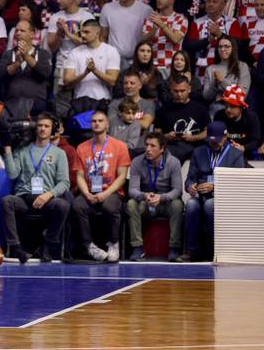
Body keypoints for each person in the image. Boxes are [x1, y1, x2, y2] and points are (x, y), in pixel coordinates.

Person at [1, 113, 71, 263]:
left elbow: (64, 183)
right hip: (25, 198)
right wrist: (7, 149)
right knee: (7, 201)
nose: (42, 129)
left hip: (46, 200)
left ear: (52, 130)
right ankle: (16, 247)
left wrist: (48, 195)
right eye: (40, 126)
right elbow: (12, 174)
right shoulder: (23, 151)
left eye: (46, 126)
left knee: (63, 205)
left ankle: (47, 245)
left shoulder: (59, 153)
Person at [182, 121, 245, 262]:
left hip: (225, 198)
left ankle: (212, 251)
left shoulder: (235, 154)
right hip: (201, 194)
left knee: (210, 205)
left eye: (216, 141)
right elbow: (190, 178)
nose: (213, 144)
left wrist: (216, 187)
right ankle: (192, 250)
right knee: (191, 205)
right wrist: (191, 186)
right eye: (210, 141)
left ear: (225, 137)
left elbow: (238, 183)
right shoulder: (199, 152)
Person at [73, 109, 130, 262]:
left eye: (100, 121)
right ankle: (89, 246)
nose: (97, 123)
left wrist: (105, 194)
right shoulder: (82, 147)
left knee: (109, 207)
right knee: (78, 206)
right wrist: (86, 194)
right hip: (89, 191)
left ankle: (113, 243)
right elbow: (79, 175)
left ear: (107, 124)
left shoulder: (119, 146)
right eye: (94, 121)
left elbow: (122, 177)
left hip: (112, 191)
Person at [126, 132, 183, 261]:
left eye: (153, 146)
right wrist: (144, 195)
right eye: (146, 145)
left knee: (178, 205)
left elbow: (177, 190)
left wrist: (161, 197)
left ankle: (174, 248)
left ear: (162, 149)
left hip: (164, 203)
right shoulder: (137, 161)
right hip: (145, 201)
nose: (148, 149)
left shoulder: (173, 162)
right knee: (130, 204)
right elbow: (132, 190)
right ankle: (137, 248)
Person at [48, 0, 94, 117]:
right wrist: (59, 32)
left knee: (83, 106)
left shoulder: (86, 16)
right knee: (60, 109)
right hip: (62, 65)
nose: (58, 1)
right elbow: (52, 47)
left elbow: (89, 43)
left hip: (83, 67)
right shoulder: (55, 17)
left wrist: (67, 33)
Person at [0, 19, 52, 118]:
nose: (18, 33)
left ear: (32, 34)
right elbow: (1, 74)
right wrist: (17, 63)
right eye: (16, 30)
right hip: (11, 103)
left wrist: (26, 57)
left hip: (37, 104)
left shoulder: (43, 53)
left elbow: (46, 72)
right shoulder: (8, 54)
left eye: (22, 31)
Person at [63, 19, 120, 112]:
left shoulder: (111, 51)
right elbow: (67, 82)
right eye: (82, 32)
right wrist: (85, 73)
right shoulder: (75, 52)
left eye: (86, 32)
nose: (83, 35)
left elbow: (112, 81)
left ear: (97, 33)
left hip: (103, 100)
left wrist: (94, 70)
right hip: (79, 101)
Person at [188, 0, 243, 81]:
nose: (210, 4)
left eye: (214, 2)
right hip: (202, 71)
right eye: (208, 1)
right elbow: (191, 46)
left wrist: (220, 34)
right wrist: (208, 40)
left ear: (223, 5)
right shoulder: (197, 22)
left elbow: (237, 45)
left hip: (226, 71)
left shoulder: (232, 22)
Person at [99, 0, 153, 68]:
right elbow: (103, 36)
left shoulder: (146, 10)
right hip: (114, 60)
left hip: (137, 60)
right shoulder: (107, 8)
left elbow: (149, 38)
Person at [156, 75, 210, 162]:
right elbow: (157, 133)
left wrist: (193, 137)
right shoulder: (163, 110)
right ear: (170, 90)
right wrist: (166, 136)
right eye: (176, 91)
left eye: (182, 91)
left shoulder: (200, 108)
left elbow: (208, 132)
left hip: (195, 146)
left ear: (189, 89)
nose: (179, 94)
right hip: (171, 146)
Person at [141, 0, 188, 74]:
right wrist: (154, 30)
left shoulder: (180, 18)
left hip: (172, 67)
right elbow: (143, 41)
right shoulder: (151, 18)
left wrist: (161, 24)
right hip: (152, 67)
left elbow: (175, 40)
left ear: (172, 0)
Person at [202, 36, 251, 116]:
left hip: (237, 109)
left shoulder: (242, 66)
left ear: (233, 48)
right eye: (220, 47)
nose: (222, 49)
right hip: (217, 108)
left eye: (227, 46)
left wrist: (222, 81)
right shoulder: (210, 69)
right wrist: (214, 84)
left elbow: (242, 95)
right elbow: (206, 96)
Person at [213, 84, 262, 156]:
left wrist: (243, 147)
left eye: (232, 106)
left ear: (241, 107)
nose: (228, 110)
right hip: (224, 154)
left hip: (246, 154)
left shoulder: (251, 117)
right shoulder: (219, 116)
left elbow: (256, 141)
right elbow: (215, 137)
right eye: (226, 106)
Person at [108, 70, 156, 136]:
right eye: (125, 83)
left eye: (132, 83)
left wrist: (122, 119)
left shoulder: (148, 104)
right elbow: (112, 123)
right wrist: (136, 122)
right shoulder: (115, 103)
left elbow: (145, 124)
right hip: (120, 143)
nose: (128, 86)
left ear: (140, 86)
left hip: (140, 144)